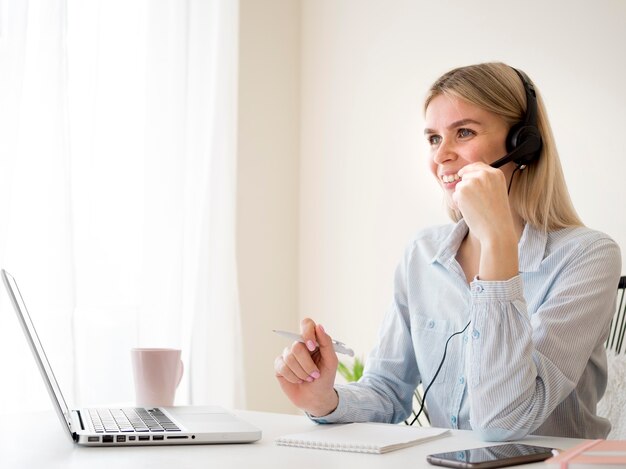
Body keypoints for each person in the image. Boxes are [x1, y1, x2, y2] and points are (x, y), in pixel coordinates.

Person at [273, 62, 621, 441]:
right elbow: (388, 391)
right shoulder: (422, 254)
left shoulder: (589, 256)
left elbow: (502, 423)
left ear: (523, 143)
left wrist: (498, 241)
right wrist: (325, 400)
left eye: (464, 132)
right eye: (434, 138)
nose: (441, 157)